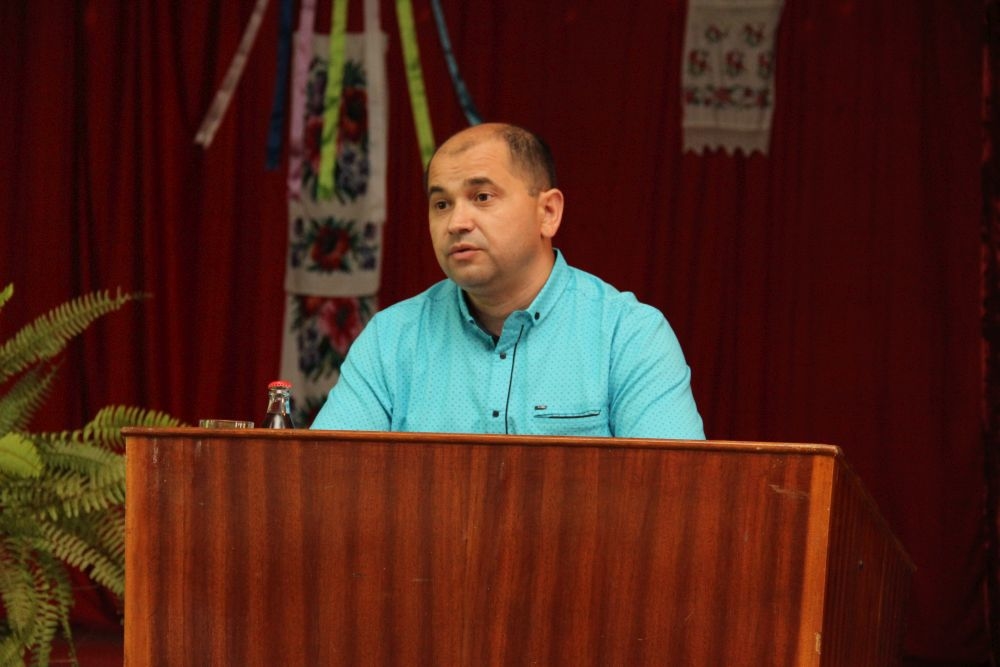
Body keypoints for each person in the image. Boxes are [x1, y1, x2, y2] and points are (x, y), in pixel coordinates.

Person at [310, 122, 705, 439]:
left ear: (548, 213)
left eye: (482, 197)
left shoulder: (628, 336)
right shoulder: (392, 339)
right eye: (441, 204)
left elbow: (674, 495)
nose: (456, 223)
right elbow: (328, 483)